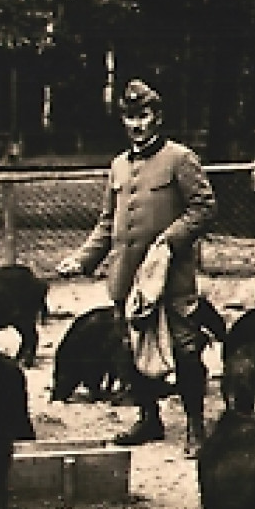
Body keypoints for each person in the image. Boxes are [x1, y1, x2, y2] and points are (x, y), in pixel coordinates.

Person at [56, 79, 217, 454]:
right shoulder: (118, 166)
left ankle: (196, 427)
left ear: (157, 117)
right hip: (126, 278)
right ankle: (149, 419)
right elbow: (106, 221)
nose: (137, 125)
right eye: (130, 117)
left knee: (186, 350)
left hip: (170, 278)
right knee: (129, 351)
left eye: (143, 116)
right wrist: (82, 259)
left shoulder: (180, 159)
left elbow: (204, 208)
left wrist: (171, 239)